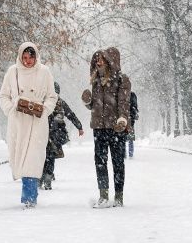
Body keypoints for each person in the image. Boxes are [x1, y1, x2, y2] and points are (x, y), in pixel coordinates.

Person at [0, 42, 58, 209]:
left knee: (33, 159)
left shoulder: (44, 71)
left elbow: (52, 96)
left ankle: (29, 198)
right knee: (20, 158)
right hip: (18, 121)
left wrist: (45, 110)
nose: (27, 61)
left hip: (37, 121)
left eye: (31, 57)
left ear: (36, 56)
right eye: (24, 57)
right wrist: (11, 109)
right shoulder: (12, 71)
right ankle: (30, 196)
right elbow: (3, 96)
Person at [82, 47, 131, 208]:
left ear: (110, 62)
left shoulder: (121, 80)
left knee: (117, 162)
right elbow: (95, 107)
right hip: (99, 128)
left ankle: (118, 197)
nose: (99, 62)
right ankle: (103, 195)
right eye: (97, 59)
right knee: (100, 162)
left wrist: (122, 119)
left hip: (116, 128)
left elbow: (124, 103)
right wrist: (88, 102)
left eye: (102, 59)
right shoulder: (96, 81)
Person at [40, 82, 84, 190]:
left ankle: (45, 179)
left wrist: (79, 127)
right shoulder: (46, 102)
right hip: (49, 133)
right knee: (47, 157)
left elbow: (70, 114)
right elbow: (70, 114)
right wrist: (79, 127)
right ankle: (46, 179)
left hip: (50, 134)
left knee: (46, 157)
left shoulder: (50, 102)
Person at [125, 91, 139, 159]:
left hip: (123, 119)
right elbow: (135, 107)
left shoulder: (122, 93)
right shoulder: (132, 94)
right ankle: (130, 154)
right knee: (130, 138)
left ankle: (124, 153)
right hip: (129, 119)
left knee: (122, 138)